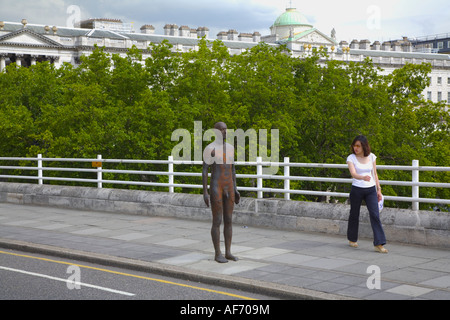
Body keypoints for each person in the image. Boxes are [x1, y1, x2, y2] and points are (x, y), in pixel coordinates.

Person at [202, 122, 240, 263]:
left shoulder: (230, 148)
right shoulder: (210, 148)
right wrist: (205, 192)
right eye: (222, 129)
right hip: (216, 186)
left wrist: (235, 188)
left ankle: (228, 252)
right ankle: (218, 253)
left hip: (229, 186)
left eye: (226, 129)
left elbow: (233, 169)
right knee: (217, 220)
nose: (225, 131)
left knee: (229, 220)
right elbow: (205, 171)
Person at [346, 135, 388, 253]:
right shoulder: (351, 158)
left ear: (364, 146)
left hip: (370, 190)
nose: (356, 148)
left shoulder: (371, 156)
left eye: (358, 146)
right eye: (354, 145)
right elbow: (353, 173)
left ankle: (379, 243)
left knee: (375, 214)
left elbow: (375, 174)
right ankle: (352, 239)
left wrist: (378, 189)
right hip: (357, 189)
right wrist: (362, 177)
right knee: (354, 214)